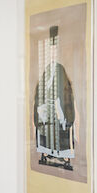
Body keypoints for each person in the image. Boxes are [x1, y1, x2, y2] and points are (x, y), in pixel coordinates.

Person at [33, 25, 76, 170]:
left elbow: (64, 92)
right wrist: (41, 106)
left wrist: (59, 109)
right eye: (50, 51)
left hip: (57, 109)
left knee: (58, 132)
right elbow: (41, 90)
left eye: (55, 51)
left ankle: (60, 155)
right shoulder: (47, 70)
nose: (52, 54)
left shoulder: (60, 69)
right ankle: (48, 153)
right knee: (46, 131)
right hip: (47, 109)